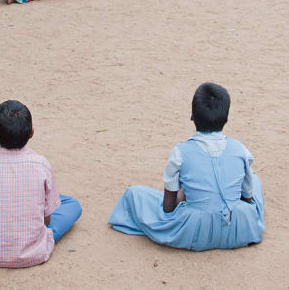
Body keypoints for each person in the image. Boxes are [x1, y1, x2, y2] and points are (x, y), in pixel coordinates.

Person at [109, 82, 264, 250]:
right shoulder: (241, 149)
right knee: (255, 182)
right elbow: (247, 198)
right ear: (226, 118)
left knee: (134, 194)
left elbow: (168, 207)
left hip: (195, 232)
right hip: (240, 231)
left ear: (192, 116)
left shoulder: (180, 152)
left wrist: (186, 195)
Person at [0, 100, 81, 267]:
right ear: (32, 133)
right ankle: (34, 205)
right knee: (72, 204)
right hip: (34, 252)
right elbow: (46, 221)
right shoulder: (42, 164)